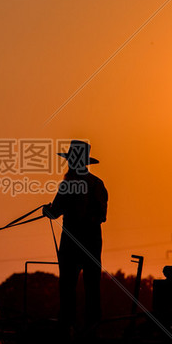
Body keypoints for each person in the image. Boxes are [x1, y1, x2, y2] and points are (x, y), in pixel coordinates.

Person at [43, 140, 108, 333]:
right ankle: (92, 326)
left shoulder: (68, 185)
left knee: (67, 284)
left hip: (72, 242)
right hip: (91, 242)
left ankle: (67, 325)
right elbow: (101, 216)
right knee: (91, 285)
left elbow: (54, 212)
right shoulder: (96, 184)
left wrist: (47, 210)